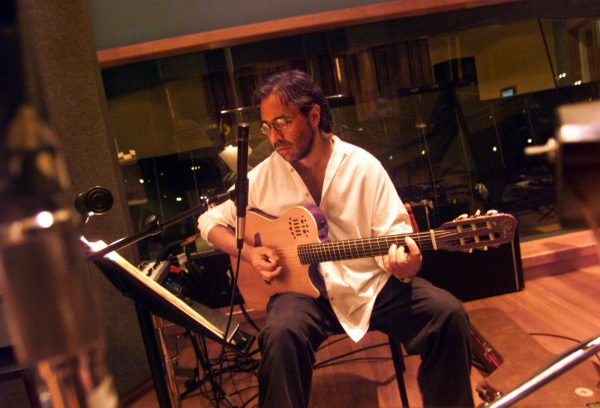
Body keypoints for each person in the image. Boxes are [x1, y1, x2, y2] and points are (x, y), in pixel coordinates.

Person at [198, 70, 474, 407]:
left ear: (314, 115)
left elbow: (395, 235)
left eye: (282, 122)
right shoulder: (261, 179)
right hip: (303, 296)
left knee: (447, 315)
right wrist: (251, 254)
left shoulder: (362, 167)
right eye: (266, 127)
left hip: (369, 286)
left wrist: (405, 264)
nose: (273, 137)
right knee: (280, 335)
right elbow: (208, 221)